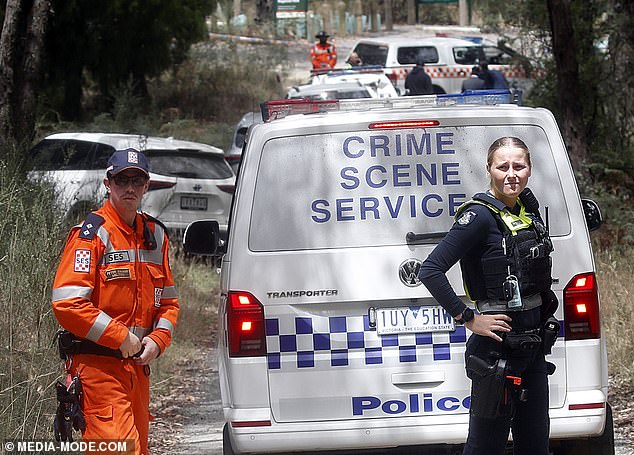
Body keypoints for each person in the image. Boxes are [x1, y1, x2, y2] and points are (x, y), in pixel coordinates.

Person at [419, 137, 557, 455]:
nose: (511, 174)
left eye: (519, 166)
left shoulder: (527, 212)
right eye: (503, 166)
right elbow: (431, 271)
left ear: (529, 169)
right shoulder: (480, 217)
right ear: (489, 169)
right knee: (485, 448)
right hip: (496, 353)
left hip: (533, 346)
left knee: (536, 447)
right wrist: (469, 319)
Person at [52, 148, 179, 455]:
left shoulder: (155, 235)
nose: (130, 188)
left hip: (137, 371)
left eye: (137, 180)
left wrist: (158, 340)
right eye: (122, 180)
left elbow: (169, 303)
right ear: (108, 184)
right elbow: (67, 303)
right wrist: (121, 337)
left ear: (147, 186)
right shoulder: (91, 235)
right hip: (98, 370)